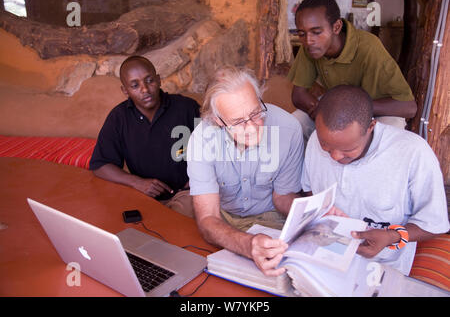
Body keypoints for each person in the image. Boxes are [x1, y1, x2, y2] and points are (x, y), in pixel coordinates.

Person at [301, 85, 449, 275]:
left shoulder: (413, 153)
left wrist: (391, 236)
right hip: (324, 254)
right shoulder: (315, 139)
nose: (335, 156)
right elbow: (309, 190)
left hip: (383, 265)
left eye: (348, 150)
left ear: (371, 127)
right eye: (326, 147)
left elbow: (434, 224)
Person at [187, 66, 304, 276]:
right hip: (221, 219)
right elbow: (207, 218)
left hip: (270, 217)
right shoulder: (201, 139)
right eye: (238, 122)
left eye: (256, 113)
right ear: (218, 121)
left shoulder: (289, 128)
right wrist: (249, 245)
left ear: (260, 99)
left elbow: (282, 197)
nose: (251, 127)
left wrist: (314, 217)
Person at [288, 0, 417, 140]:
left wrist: (351, 109)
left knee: (388, 135)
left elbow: (409, 107)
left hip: (379, 110)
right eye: (301, 33)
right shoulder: (310, 47)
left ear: (336, 27)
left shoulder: (369, 48)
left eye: (316, 32)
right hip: (337, 107)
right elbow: (298, 95)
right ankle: (305, 162)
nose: (308, 40)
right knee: (295, 124)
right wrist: (319, 108)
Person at [89, 56, 200, 217]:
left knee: (180, 218)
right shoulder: (118, 118)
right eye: (135, 85)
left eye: (150, 81)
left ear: (159, 80)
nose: (145, 90)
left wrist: (197, 181)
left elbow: (214, 151)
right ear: (125, 91)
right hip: (143, 196)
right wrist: (137, 182)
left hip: (186, 194)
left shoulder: (187, 108)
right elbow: (100, 165)